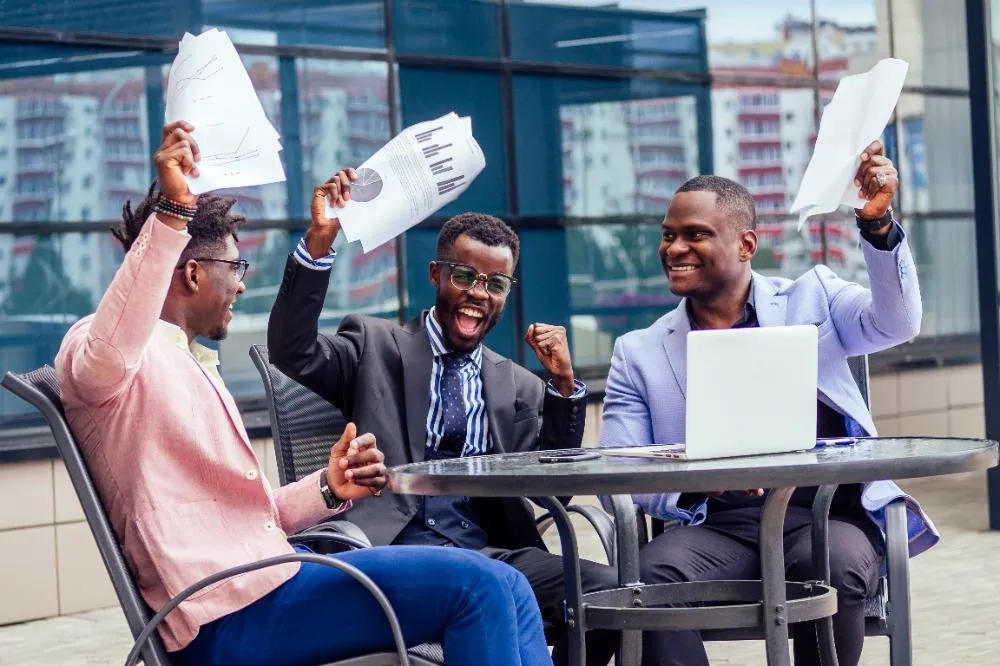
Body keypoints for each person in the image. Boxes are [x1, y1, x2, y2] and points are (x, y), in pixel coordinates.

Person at [55, 121, 553, 666]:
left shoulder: (186, 361)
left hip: (271, 579)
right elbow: (107, 350)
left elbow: (248, 516)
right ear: (193, 273)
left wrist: (329, 486)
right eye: (235, 267)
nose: (242, 283)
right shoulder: (106, 355)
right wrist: (173, 214)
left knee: (511, 585)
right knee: (477, 586)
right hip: (227, 612)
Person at [599, 141, 938, 666]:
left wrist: (877, 225)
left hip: (824, 517)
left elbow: (896, 323)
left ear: (746, 244)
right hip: (713, 527)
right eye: (669, 236)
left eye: (695, 234)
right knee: (645, 578)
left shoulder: (814, 298)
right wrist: (700, 484)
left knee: (834, 565)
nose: (675, 248)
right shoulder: (637, 352)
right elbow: (617, 472)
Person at [268, 168, 620, 666]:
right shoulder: (374, 345)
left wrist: (564, 387)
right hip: (389, 551)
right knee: (490, 591)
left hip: (489, 553)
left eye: (495, 283)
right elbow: (291, 350)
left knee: (609, 594)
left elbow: (551, 491)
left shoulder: (518, 385)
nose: (479, 292)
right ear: (437, 275)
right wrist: (320, 243)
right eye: (464, 276)